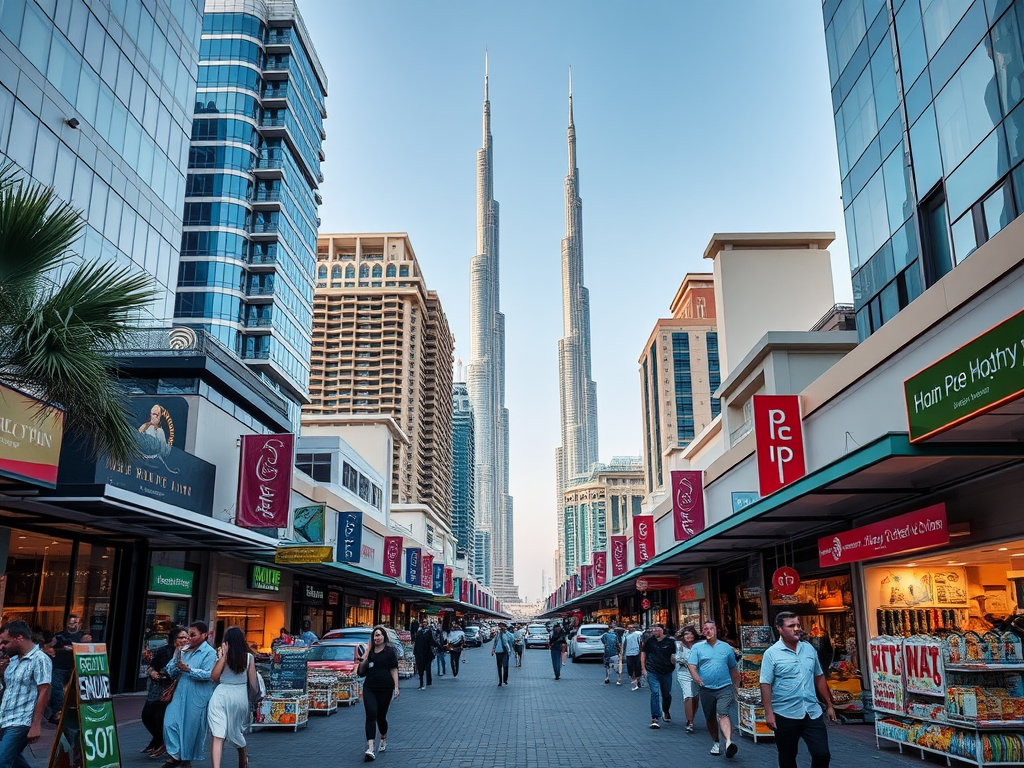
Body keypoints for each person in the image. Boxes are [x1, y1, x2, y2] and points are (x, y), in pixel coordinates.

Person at [760, 612, 837, 768]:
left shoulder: (809, 649)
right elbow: (765, 684)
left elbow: (819, 677)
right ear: (779, 629)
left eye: (798, 625)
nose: (797, 629)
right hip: (785, 713)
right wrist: (769, 712)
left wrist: (829, 704)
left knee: (822, 754)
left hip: (812, 711)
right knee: (788, 757)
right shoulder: (771, 654)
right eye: (791, 626)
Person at [163, 621, 217, 768]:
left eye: (193, 635)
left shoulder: (210, 653)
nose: (189, 639)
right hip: (180, 693)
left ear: (204, 635)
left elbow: (210, 675)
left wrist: (188, 669)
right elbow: (170, 671)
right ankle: (175, 755)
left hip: (198, 695)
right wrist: (176, 656)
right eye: (188, 635)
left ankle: (185, 759)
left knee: (191, 729)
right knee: (170, 723)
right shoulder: (184, 650)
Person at [0, 620, 51, 768]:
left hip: (22, 721)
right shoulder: (14, 659)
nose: (2, 646)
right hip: (5, 717)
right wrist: (2, 673)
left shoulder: (40, 659)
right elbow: (11, 687)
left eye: (5, 642)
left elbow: (44, 692)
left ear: (19, 638)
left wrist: (36, 725)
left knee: (2, 760)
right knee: (14, 759)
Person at [688, 620, 741, 758]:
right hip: (706, 688)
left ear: (716, 630)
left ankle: (729, 742)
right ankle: (716, 742)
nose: (709, 631)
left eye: (711, 628)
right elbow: (692, 666)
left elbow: (733, 668)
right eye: (706, 629)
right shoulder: (697, 648)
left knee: (723, 713)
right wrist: (697, 678)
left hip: (724, 687)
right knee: (710, 717)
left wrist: (737, 687)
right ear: (703, 632)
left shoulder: (726, 648)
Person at [208, 627, 257, 768]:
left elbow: (214, 677)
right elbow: (253, 684)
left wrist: (223, 657)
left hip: (221, 694)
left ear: (226, 642)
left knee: (218, 734)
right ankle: (243, 754)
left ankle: (218, 765)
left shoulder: (223, 657)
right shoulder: (249, 658)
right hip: (240, 696)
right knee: (236, 730)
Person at [141, 627, 188, 758]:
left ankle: (164, 743)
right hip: (159, 688)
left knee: (161, 717)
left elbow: (174, 671)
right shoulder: (163, 651)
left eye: (186, 637)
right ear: (174, 639)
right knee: (147, 715)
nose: (184, 640)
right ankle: (158, 739)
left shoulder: (189, 653)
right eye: (181, 637)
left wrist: (177, 655)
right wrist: (152, 672)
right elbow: (152, 667)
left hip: (175, 689)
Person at [358, 625, 399, 762]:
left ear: (384, 636)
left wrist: (397, 687)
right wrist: (366, 654)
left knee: (381, 717)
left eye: (379, 635)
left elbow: (393, 669)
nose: (377, 637)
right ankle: (370, 748)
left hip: (386, 688)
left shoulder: (389, 651)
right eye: (375, 635)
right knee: (371, 715)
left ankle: (383, 736)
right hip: (369, 687)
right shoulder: (369, 652)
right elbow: (360, 671)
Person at [44, 613, 82, 724]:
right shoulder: (59, 636)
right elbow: (47, 647)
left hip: (75, 667)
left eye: (75, 623)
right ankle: (57, 713)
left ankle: (73, 713)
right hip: (60, 666)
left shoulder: (83, 636)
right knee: (57, 690)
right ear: (66, 624)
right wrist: (55, 649)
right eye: (70, 623)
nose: (73, 625)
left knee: (75, 690)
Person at [641, 624, 677, 729]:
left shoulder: (670, 642)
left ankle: (666, 710)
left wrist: (675, 660)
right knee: (655, 693)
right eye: (653, 630)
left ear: (662, 630)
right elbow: (643, 654)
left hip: (666, 671)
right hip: (652, 671)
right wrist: (643, 668)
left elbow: (674, 654)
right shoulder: (650, 642)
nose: (654, 632)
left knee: (667, 695)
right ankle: (655, 718)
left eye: (656, 630)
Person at [672, 625, 700, 734]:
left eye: (691, 633)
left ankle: (691, 716)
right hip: (684, 673)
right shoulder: (678, 645)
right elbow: (673, 657)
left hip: (698, 673)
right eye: (686, 634)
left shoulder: (699, 645)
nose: (689, 636)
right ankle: (690, 722)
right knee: (688, 695)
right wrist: (676, 659)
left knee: (695, 696)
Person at [413, 622, 436, 689]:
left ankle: (428, 681)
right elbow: (416, 643)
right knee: (421, 668)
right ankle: (422, 683)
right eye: (424, 623)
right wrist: (415, 652)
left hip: (427, 653)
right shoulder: (419, 633)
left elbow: (432, 641)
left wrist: (439, 646)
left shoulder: (428, 632)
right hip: (420, 653)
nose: (424, 625)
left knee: (427, 668)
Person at [491, 622, 515, 686]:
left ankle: (505, 679)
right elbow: (495, 641)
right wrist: (493, 650)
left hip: (505, 652)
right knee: (499, 667)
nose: (501, 628)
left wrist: (506, 633)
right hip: (498, 652)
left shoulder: (508, 634)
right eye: (500, 626)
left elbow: (512, 640)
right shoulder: (498, 634)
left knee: (505, 666)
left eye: (502, 626)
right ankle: (500, 681)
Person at [623, 623, 644, 690]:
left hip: (637, 652)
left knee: (637, 667)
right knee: (630, 668)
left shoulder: (638, 634)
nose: (630, 628)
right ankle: (634, 679)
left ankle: (638, 681)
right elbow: (623, 644)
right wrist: (622, 653)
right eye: (629, 627)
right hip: (628, 653)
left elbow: (641, 643)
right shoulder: (626, 635)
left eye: (631, 627)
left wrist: (641, 651)